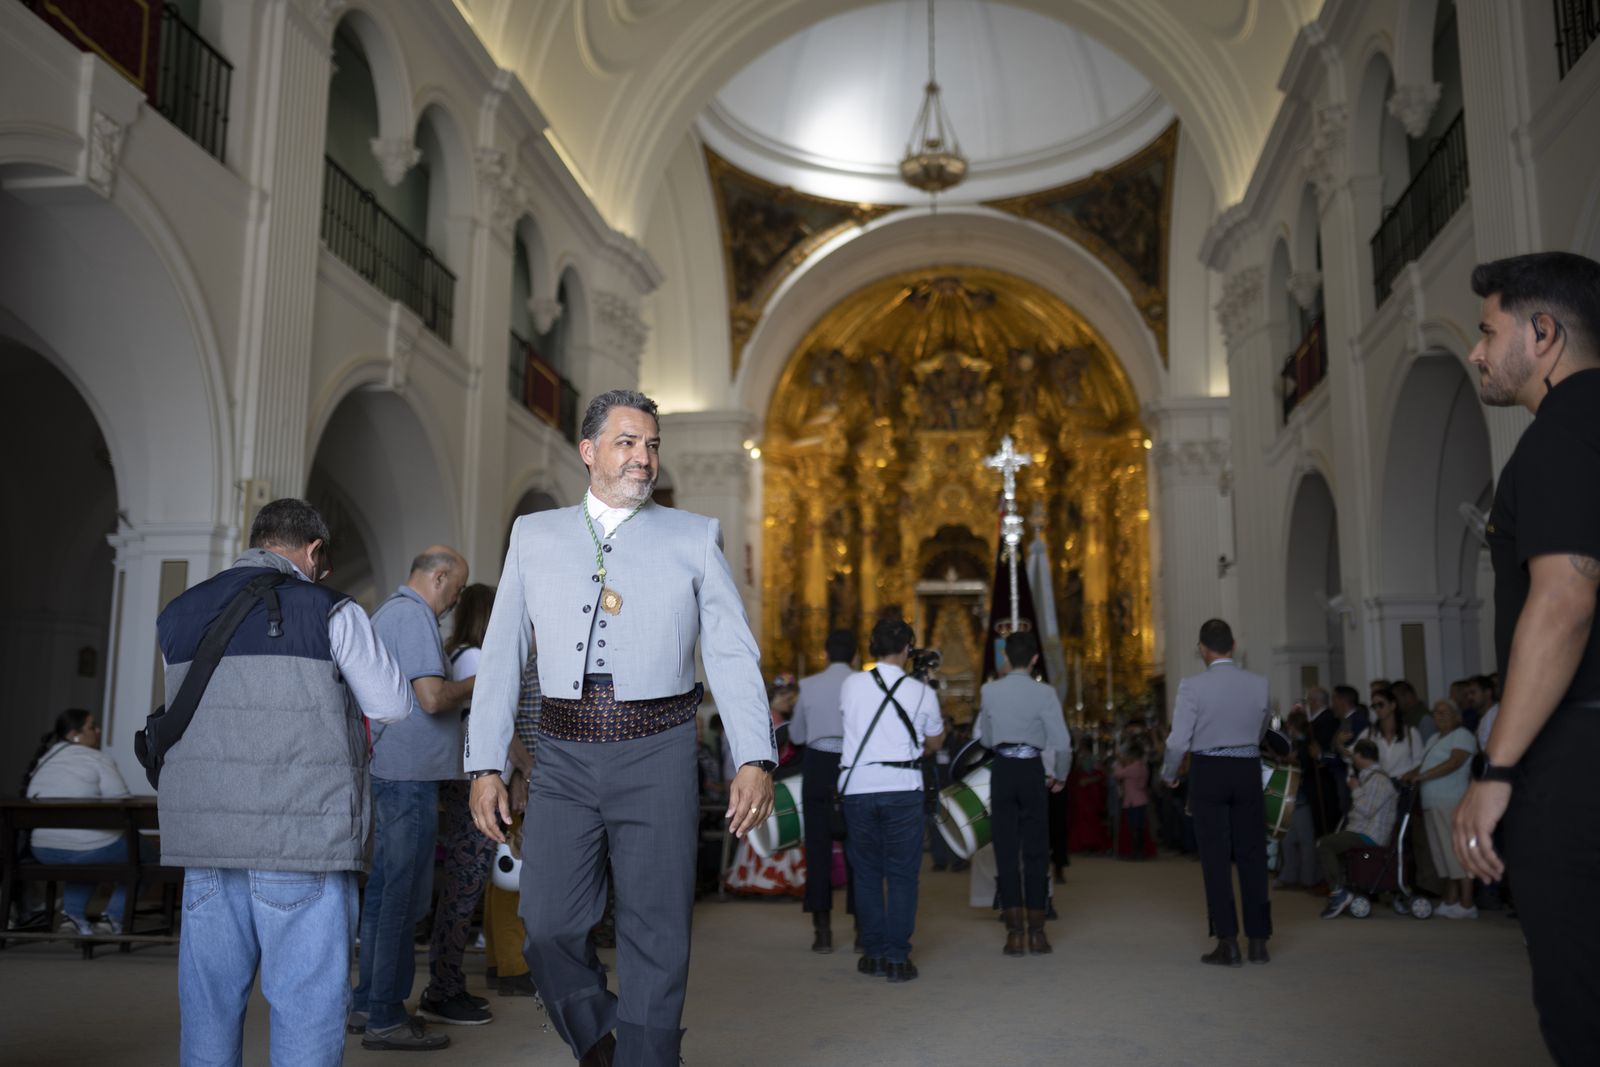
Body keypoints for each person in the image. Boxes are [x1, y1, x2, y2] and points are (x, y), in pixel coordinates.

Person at [465, 389, 776, 1067]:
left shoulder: (695, 535)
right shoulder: (535, 534)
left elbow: (728, 648)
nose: (644, 458)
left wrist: (755, 754)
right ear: (589, 451)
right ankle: (601, 1034)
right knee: (546, 924)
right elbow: (501, 653)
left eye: (652, 444)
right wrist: (485, 763)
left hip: (659, 748)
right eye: (628, 443)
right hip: (563, 752)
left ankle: (648, 1055)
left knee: (657, 930)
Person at [155, 498, 412, 1065]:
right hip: (302, 838)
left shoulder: (178, 612)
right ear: (313, 551)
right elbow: (393, 703)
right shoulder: (329, 608)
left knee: (208, 1006)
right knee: (306, 1006)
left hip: (206, 840)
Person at [1454, 251, 1600, 1066]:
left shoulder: (1556, 441)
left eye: (1487, 330)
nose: (1477, 351)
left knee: (1581, 1004)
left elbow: (1564, 599)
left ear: (1542, 333)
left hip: (1575, 758)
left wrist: (1499, 770)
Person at [353, 545, 474, 1050]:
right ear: (440, 576)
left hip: (396, 772)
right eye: (458, 589)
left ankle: (368, 1004)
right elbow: (431, 698)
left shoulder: (391, 612)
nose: (456, 600)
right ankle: (385, 1015)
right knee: (403, 897)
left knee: (387, 894)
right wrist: (486, 680)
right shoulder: (414, 616)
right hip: (408, 777)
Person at [1161, 619, 1272, 967]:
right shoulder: (1259, 683)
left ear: (1202, 649)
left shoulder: (1192, 686)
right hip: (1247, 768)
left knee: (1216, 858)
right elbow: (1264, 725)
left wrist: (1169, 773)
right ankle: (1258, 941)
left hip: (1208, 769)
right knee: (1253, 854)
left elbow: (1178, 740)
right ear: (1233, 646)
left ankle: (1228, 942)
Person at [839, 617, 943, 983]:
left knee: (866, 873)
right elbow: (934, 744)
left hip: (858, 787)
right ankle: (897, 958)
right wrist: (924, 687)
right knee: (901, 874)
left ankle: (872, 952)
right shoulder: (923, 693)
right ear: (907, 649)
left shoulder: (851, 684)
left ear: (872, 647)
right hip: (902, 787)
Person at [419, 582, 499, 1024]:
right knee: (462, 889)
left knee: (462, 888)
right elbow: (489, 729)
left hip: (462, 780)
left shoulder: (462, 654)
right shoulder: (476, 658)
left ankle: (448, 983)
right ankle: (443, 988)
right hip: (471, 783)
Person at [976, 631, 1070, 956]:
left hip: (1002, 769)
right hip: (1032, 769)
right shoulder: (1044, 692)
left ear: (1005, 658)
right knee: (1035, 849)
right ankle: (1038, 933)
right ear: (1034, 659)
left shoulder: (989, 690)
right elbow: (1063, 741)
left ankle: (1014, 934)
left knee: (1005, 848)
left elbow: (986, 740)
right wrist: (1060, 775)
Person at [22, 709, 151, 934]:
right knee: (148, 857)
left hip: (42, 848)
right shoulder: (97, 758)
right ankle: (112, 918)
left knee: (87, 854)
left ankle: (72, 915)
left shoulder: (44, 760)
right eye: (92, 726)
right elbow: (121, 800)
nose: (98, 730)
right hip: (89, 848)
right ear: (75, 735)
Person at [790, 628, 857, 952]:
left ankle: (823, 931)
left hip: (817, 767)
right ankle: (862, 927)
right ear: (856, 656)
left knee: (817, 849)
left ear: (826, 654)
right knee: (859, 847)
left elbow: (798, 735)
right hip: (852, 767)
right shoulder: (863, 684)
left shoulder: (809, 685)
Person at [481, 652, 542, 998]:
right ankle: (513, 966)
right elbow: (510, 722)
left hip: (517, 774)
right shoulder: (523, 662)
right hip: (520, 779)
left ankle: (499, 962)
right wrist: (524, 772)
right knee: (512, 877)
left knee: (504, 876)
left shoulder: (528, 660)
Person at [1405, 700, 1477, 918]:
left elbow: (1455, 762)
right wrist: (1410, 775)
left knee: (1456, 851)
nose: (1440, 715)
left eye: (1446, 712)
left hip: (1451, 800)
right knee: (1441, 853)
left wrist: (1423, 776)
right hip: (1431, 802)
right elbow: (1423, 766)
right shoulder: (1435, 739)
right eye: (1436, 712)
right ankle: (1451, 898)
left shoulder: (1462, 735)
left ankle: (1467, 903)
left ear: (1457, 716)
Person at [1318, 740, 1399, 918]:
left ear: (1361, 756)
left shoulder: (1379, 780)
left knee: (1326, 844)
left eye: (1354, 755)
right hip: (1362, 830)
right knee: (1332, 842)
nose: (1352, 758)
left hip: (1370, 834)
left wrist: (1354, 789)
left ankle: (1339, 893)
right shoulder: (1369, 776)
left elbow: (1367, 810)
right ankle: (1340, 889)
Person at [1357, 686, 1424, 780]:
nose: (1377, 709)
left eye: (1381, 704)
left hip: (1403, 784)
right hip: (1378, 786)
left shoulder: (1410, 732)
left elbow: (1418, 761)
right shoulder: (1369, 733)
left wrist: (1408, 776)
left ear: (1393, 705)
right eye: (1374, 706)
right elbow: (1354, 755)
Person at [1113, 740, 1151, 862]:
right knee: (1139, 827)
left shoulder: (1133, 767)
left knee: (1134, 827)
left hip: (1132, 801)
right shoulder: (1143, 766)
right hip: (1141, 799)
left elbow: (1117, 774)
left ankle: (1137, 852)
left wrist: (1119, 763)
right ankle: (1140, 852)